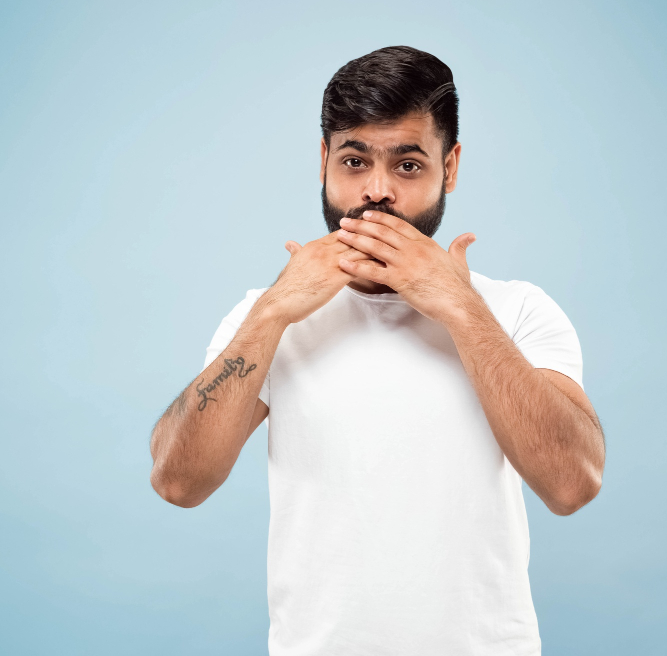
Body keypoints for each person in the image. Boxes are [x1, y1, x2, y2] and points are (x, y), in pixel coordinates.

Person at [149, 45, 605, 656]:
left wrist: (460, 308)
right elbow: (178, 482)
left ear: (451, 167)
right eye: (355, 161)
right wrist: (273, 313)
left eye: (409, 166)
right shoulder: (266, 316)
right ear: (323, 162)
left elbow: (572, 485)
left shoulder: (518, 310)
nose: (377, 192)